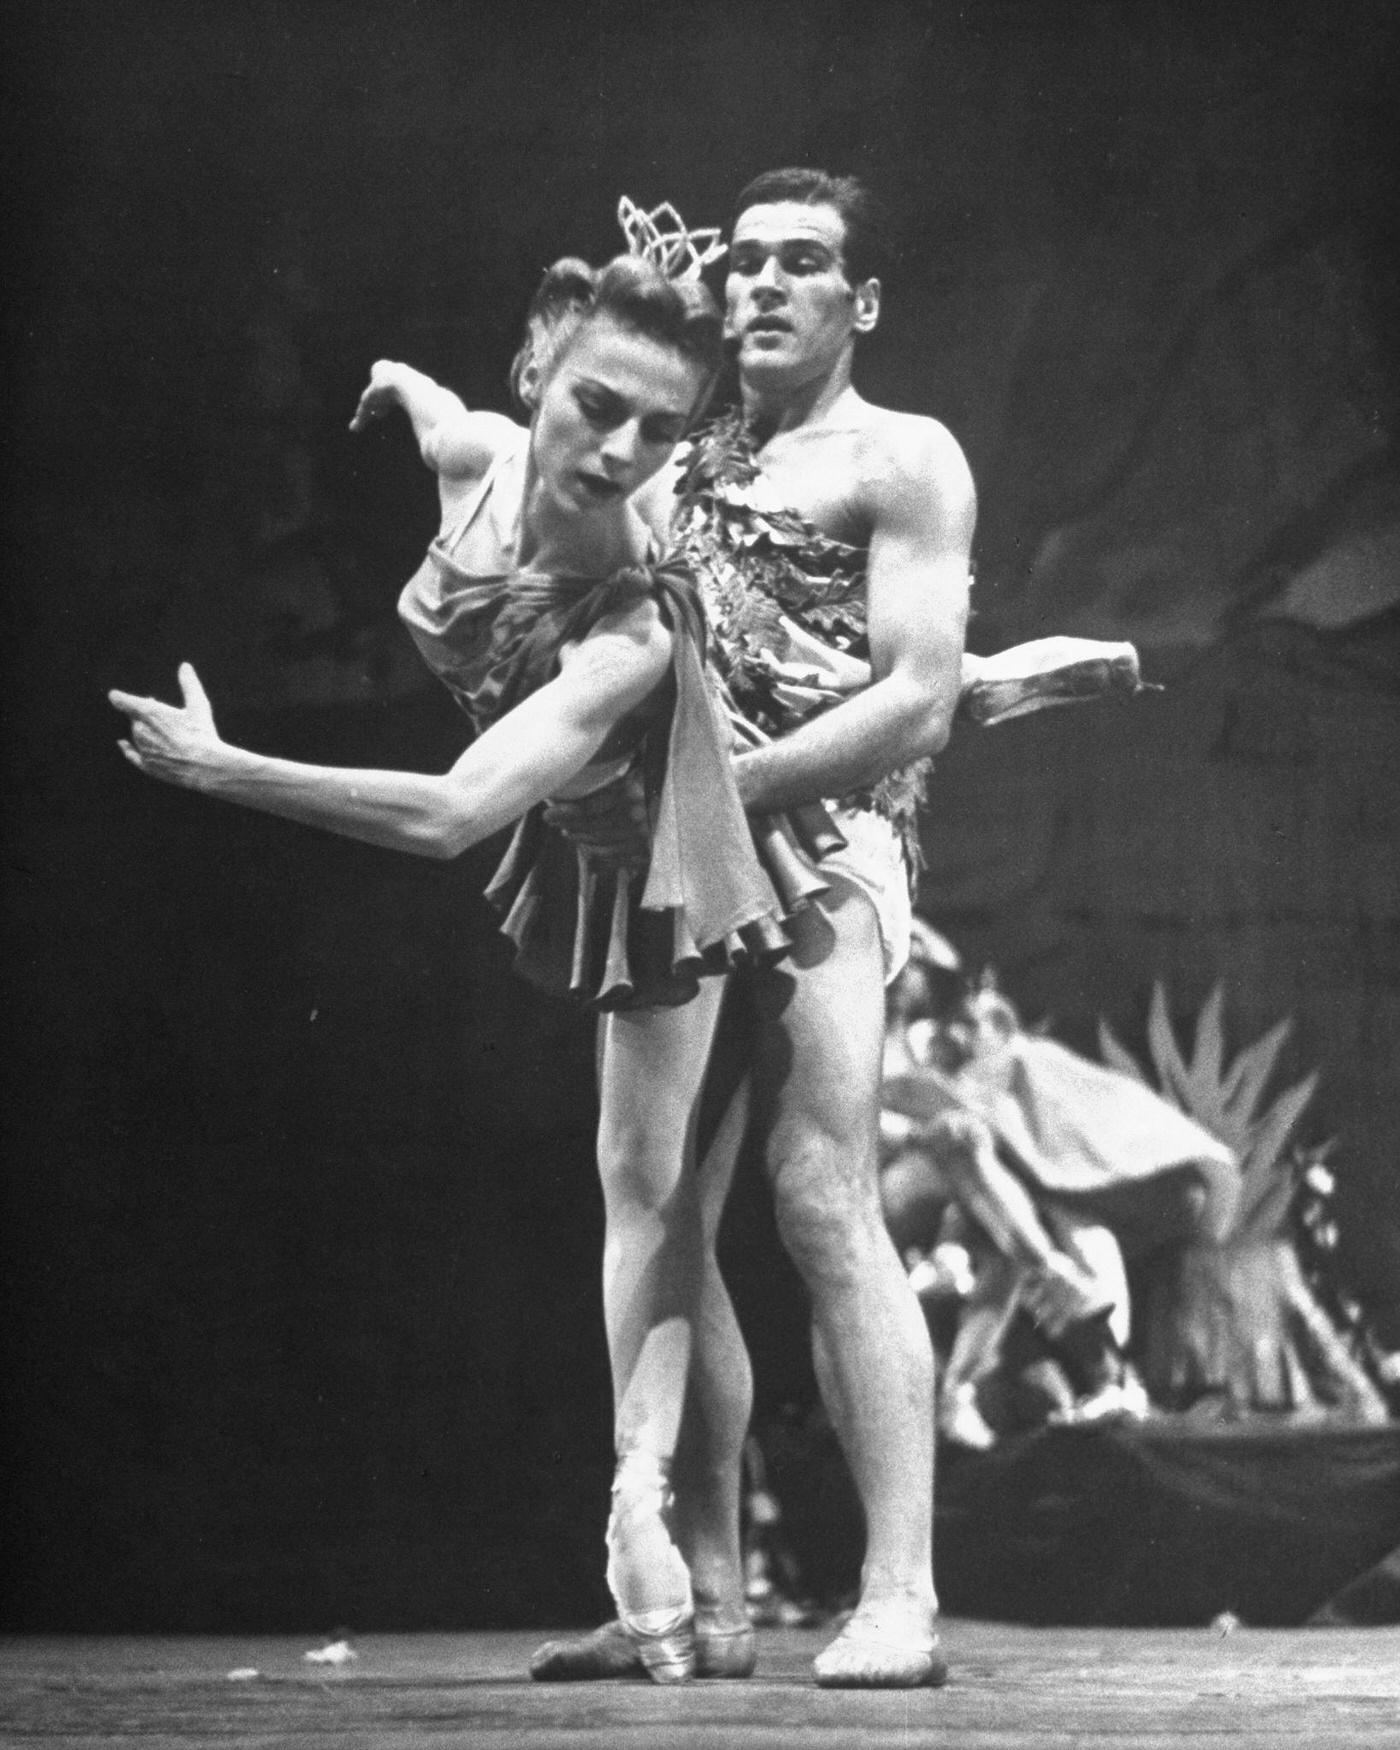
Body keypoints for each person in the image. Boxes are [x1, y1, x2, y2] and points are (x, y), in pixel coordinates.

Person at [109, 244, 826, 1685]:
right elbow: (447, 416)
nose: (616, 451)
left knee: (650, 1192)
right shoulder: (484, 452)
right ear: (540, 369)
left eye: (659, 432)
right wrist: (397, 382)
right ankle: (711, 1596)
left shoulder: (625, 622)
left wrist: (221, 767)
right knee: (660, 1197)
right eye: (596, 405)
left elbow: (446, 816)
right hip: (575, 835)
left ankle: (648, 1512)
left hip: (675, 847)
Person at [532, 168, 975, 1690]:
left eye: (806, 263)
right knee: (653, 1202)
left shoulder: (902, 456)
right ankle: (700, 1606)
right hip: (682, 861)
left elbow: (914, 692)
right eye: (748, 263)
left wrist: (719, 799)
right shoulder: (679, 449)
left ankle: (900, 1592)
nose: (767, 285)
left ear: (860, 300)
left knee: (817, 1192)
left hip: (829, 849)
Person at [880, 973, 1240, 1448]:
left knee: (1010, 1199)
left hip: (1134, 1191)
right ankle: (1084, 1372)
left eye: (970, 1024)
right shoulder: (892, 1056)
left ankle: (1095, 1372)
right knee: (995, 1193)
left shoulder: (1004, 1059)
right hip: (920, 1194)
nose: (958, 1035)